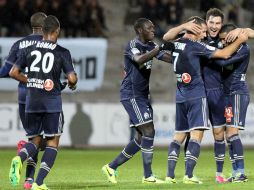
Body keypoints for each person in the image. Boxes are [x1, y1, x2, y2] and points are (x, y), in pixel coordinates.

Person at [163, 7, 254, 183]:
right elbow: (168, 38)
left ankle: (219, 173)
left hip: (218, 93)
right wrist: (184, 26)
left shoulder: (227, 36)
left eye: (217, 23)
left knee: (220, 134)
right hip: (198, 92)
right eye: (210, 22)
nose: (213, 26)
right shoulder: (199, 40)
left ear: (221, 24)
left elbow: (250, 32)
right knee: (191, 134)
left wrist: (239, 31)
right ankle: (187, 173)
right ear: (205, 23)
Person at [8, 15, 77, 190]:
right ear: (57, 31)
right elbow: (71, 77)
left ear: (42, 31)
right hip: (51, 102)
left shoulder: (28, 49)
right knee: (52, 142)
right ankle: (39, 182)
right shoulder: (62, 51)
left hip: (31, 101)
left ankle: (19, 158)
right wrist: (72, 83)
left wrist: (30, 81)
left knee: (35, 141)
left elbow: (13, 72)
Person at [102, 17, 174, 184]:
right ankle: (148, 176)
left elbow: (168, 58)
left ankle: (111, 167)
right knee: (149, 131)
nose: (153, 30)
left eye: (154, 27)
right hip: (131, 94)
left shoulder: (150, 46)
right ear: (140, 30)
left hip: (142, 96)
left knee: (141, 137)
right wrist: (158, 49)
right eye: (150, 28)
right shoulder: (133, 45)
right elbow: (139, 59)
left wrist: (181, 51)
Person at [0, 12, 47, 190]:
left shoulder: (19, 44)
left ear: (31, 25)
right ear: (46, 26)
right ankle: (21, 157)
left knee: (34, 139)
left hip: (23, 98)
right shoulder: (48, 44)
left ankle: (28, 181)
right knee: (46, 142)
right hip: (43, 97)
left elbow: (6, 70)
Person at [213, 23, 250, 182]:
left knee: (233, 133)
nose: (222, 43)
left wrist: (214, 55)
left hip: (237, 93)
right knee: (229, 135)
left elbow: (223, 63)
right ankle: (235, 173)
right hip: (228, 95)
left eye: (224, 39)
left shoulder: (243, 48)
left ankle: (241, 173)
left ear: (231, 37)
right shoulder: (230, 47)